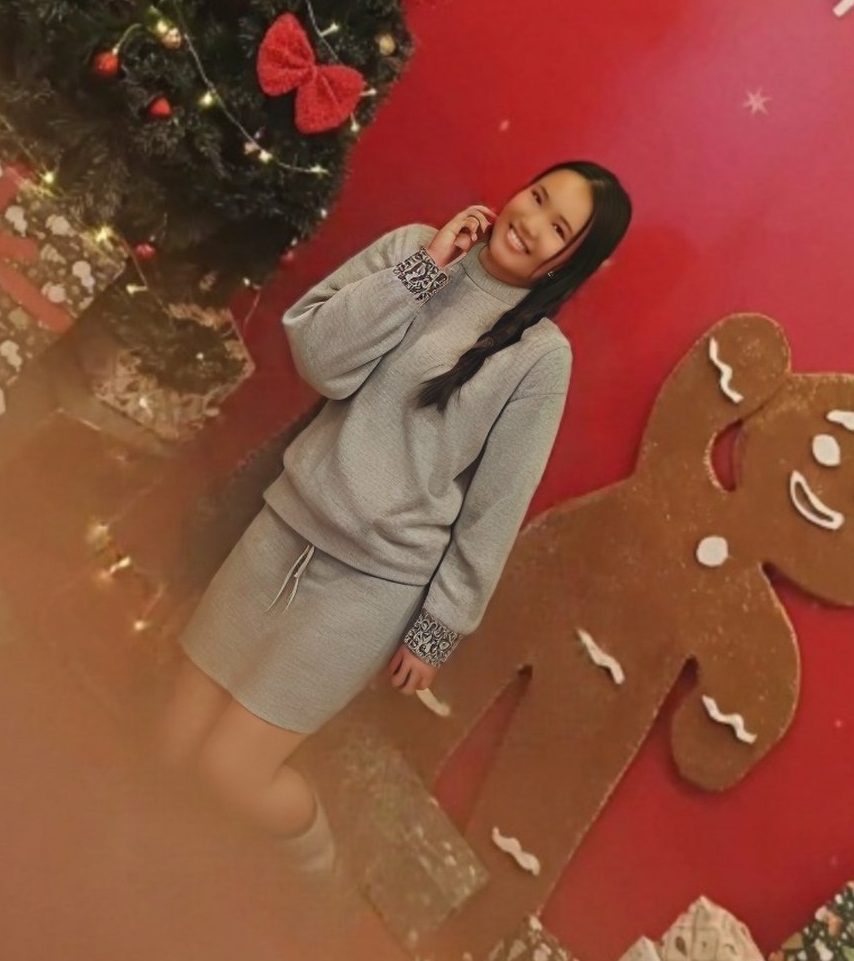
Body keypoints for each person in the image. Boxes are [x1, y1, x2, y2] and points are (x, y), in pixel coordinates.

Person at [154, 161, 632, 880]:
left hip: (369, 586)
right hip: (282, 529)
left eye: (558, 228)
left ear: (570, 262)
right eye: (536, 197)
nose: (531, 222)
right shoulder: (415, 248)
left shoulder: (539, 359)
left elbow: (496, 507)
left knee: (230, 769)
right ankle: (160, 868)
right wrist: (425, 271)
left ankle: (312, 862)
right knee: (170, 745)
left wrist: (438, 627)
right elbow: (320, 361)